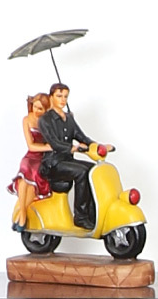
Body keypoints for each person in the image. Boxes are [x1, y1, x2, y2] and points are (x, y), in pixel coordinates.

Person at [37, 84, 111, 232]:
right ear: (51, 97)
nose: (63, 100)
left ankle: (92, 213)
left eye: (65, 97)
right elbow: (54, 143)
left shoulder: (69, 118)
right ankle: (80, 217)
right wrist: (73, 148)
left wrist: (98, 146)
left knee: (93, 170)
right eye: (59, 96)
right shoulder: (45, 120)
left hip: (67, 160)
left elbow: (81, 136)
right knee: (81, 172)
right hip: (53, 163)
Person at [8, 93, 53, 232]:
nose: (37, 111)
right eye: (35, 106)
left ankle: (22, 214)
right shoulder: (26, 120)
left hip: (44, 157)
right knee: (24, 172)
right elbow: (31, 145)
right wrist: (48, 146)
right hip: (32, 155)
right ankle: (22, 214)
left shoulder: (48, 122)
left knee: (34, 180)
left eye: (40, 109)